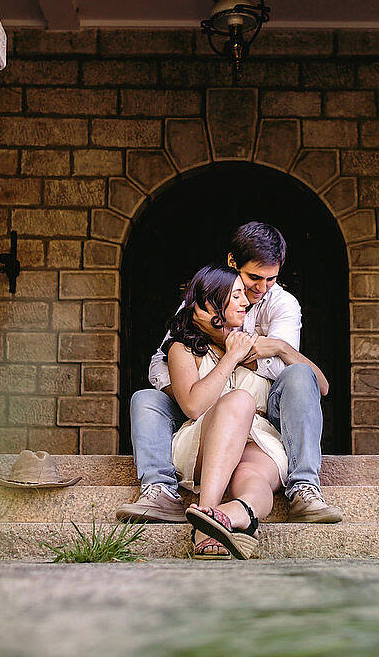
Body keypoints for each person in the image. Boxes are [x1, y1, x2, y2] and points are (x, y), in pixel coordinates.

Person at [118, 221, 343, 525]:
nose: (259, 290)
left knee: (294, 380)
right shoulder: (200, 304)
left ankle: (289, 492)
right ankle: (161, 489)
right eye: (253, 279)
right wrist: (197, 382)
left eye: (271, 279)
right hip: (205, 421)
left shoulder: (283, 305)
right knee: (149, 399)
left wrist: (273, 347)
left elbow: (306, 380)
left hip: (262, 427)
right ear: (232, 264)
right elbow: (160, 365)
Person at [157, 263, 332, 559]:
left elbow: (322, 386)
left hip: (258, 440)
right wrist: (232, 356)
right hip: (204, 439)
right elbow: (193, 406)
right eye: (236, 296)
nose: (245, 303)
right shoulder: (183, 349)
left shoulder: (255, 346)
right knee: (240, 400)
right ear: (212, 302)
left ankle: (233, 515)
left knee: (255, 481)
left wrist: (281, 348)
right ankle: (206, 515)